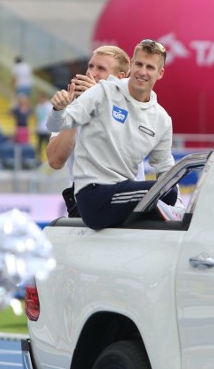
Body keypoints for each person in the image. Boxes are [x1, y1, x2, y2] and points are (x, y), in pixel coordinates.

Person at [47, 40, 179, 229]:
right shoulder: (84, 101)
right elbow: (55, 160)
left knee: (169, 193)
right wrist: (85, 106)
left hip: (128, 194)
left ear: (121, 76)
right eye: (90, 66)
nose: (92, 73)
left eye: (101, 69)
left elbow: (165, 167)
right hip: (90, 196)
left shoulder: (156, 116)